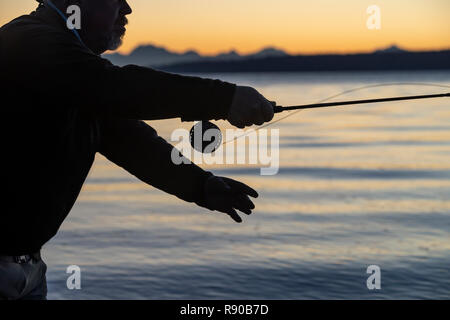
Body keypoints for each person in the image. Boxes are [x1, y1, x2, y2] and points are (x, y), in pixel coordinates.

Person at [0, 0, 275, 300]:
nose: (126, 9)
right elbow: (117, 87)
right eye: (115, 0)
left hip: (29, 268)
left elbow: (132, 143)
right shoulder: (26, 41)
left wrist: (202, 186)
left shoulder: (76, 78)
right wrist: (224, 98)